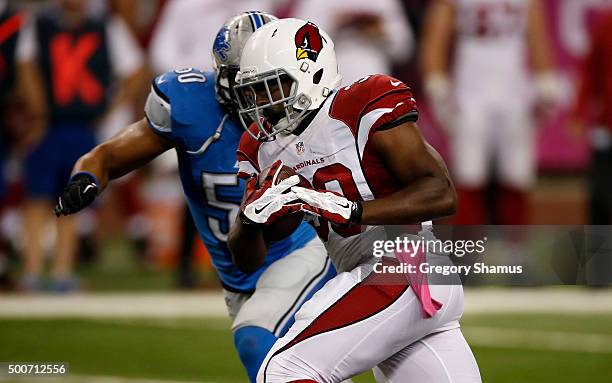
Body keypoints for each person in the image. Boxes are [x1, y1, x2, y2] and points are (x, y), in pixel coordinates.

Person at [53, 12, 336, 382]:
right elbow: (107, 156)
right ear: (226, 80)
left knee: (255, 340)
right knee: (288, 366)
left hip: (298, 252)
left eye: (274, 83)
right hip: (236, 272)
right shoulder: (191, 107)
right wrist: (87, 175)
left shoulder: (303, 114)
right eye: (253, 85)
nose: (265, 97)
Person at [230, 18, 481, 382]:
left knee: (283, 370)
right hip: (386, 286)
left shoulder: (360, 104)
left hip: (406, 264)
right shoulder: (261, 147)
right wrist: (251, 221)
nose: (264, 103)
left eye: (274, 86)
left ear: (310, 74)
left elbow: (440, 191)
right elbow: (247, 259)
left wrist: (350, 208)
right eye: (256, 92)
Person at [16, 0, 147, 291]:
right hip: (49, 126)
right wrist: (37, 112)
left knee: (73, 201)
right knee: (37, 199)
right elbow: (26, 66)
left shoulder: (106, 25)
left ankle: (61, 271)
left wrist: (107, 109)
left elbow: (135, 71)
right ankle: (32, 269)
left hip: (81, 127)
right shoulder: (39, 24)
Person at [420, 0, 559, 224]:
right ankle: (467, 252)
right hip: (470, 92)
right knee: (470, 176)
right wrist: (437, 85)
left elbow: (536, 37)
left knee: (516, 176)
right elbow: (436, 37)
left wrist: (545, 84)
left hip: (514, 93)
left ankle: (514, 252)